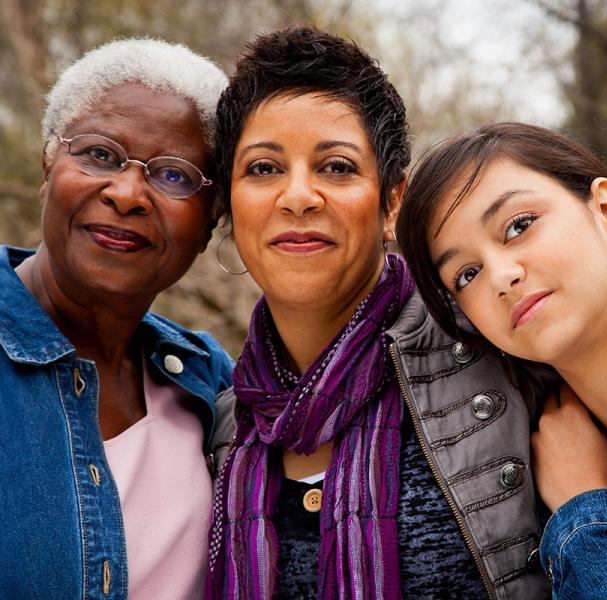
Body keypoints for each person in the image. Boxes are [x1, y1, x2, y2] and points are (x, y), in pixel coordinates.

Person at [206, 27, 549, 600]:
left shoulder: (499, 356)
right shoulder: (224, 429)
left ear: (392, 202)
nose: (297, 196)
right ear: (231, 204)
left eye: (336, 167)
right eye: (263, 168)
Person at [0, 39, 234, 599]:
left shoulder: (208, 381)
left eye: (174, 176)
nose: (127, 194)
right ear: (49, 163)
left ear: (212, 218)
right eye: (99, 154)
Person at [396, 121, 607, 599]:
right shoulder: (523, 468)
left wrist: (585, 509)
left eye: (518, 226)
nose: (501, 276)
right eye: (466, 273)